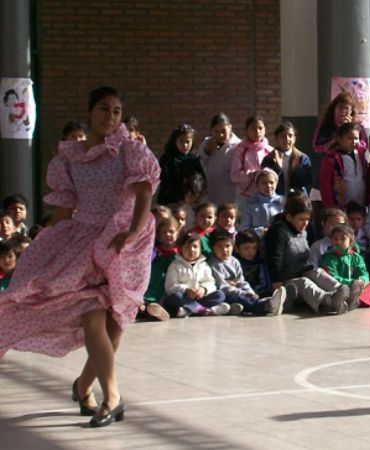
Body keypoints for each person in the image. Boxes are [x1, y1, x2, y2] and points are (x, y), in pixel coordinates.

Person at [0, 86, 160, 427]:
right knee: (92, 315)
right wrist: (43, 238)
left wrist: (132, 231)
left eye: (116, 111)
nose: (110, 117)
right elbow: (65, 206)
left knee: (115, 325)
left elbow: (145, 189)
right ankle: (112, 398)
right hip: (83, 240)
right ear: (90, 112)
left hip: (121, 242)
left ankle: (85, 385)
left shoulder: (129, 150)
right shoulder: (70, 158)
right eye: (104, 109)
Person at [262, 193, 350, 315]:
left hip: (300, 271)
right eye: (301, 219)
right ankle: (329, 300)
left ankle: (342, 292)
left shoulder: (302, 231)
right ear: (289, 217)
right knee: (303, 282)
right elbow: (274, 258)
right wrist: (276, 282)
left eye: (308, 219)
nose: (305, 223)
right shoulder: (279, 231)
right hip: (285, 282)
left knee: (317, 272)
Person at [208, 230, 287, 316]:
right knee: (239, 297)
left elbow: (241, 281)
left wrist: (250, 291)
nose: (224, 250)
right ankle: (265, 306)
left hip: (237, 292)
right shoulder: (214, 264)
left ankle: (239, 306)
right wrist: (243, 293)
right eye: (219, 247)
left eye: (227, 246)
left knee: (246, 297)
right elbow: (222, 286)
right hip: (227, 294)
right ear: (212, 248)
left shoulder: (234, 261)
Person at [164, 231, 230, 317]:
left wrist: (203, 289)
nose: (192, 250)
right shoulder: (175, 265)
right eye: (187, 247)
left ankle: (189, 310)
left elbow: (210, 282)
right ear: (180, 249)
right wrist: (186, 290)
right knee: (174, 297)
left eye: (195, 247)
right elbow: (170, 286)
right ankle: (205, 310)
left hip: (201, 298)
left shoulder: (204, 265)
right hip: (184, 298)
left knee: (220, 295)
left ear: (200, 249)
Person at [319, 224, 370, 309]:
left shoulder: (356, 257)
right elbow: (332, 277)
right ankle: (362, 300)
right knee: (338, 290)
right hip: (339, 288)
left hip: (357, 288)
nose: (338, 242)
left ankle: (358, 301)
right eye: (335, 239)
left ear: (351, 241)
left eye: (343, 239)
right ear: (331, 240)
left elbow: (363, 273)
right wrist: (352, 283)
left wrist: (362, 282)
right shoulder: (328, 258)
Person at [319, 122, 368, 209]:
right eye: (350, 138)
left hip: (360, 205)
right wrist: (330, 207)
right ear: (339, 139)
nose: (354, 142)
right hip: (341, 206)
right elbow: (325, 184)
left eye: (356, 138)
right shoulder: (331, 159)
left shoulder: (360, 156)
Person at [197, 113, 242, 205]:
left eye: (223, 131)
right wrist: (207, 152)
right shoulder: (206, 143)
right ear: (211, 131)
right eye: (216, 131)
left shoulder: (238, 146)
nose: (220, 135)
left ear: (230, 128)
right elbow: (198, 165)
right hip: (210, 196)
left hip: (231, 198)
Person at [141, 217, 180, 321]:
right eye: (164, 232)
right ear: (158, 235)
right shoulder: (155, 252)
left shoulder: (181, 252)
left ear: (178, 232)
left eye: (171, 231)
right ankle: (149, 310)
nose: (168, 235)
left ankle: (153, 311)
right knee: (147, 303)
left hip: (172, 286)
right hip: (155, 287)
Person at [261, 122, 313, 196]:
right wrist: (277, 168)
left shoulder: (302, 158)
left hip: (296, 200)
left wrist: (296, 168)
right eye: (283, 136)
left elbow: (308, 181)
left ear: (294, 139)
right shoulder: (269, 159)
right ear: (277, 139)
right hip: (275, 201)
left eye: (290, 136)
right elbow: (264, 181)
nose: (287, 139)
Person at [230, 115, 273, 204]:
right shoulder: (240, 151)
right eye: (253, 128)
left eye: (260, 128)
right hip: (245, 197)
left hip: (266, 197)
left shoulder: (270, 151)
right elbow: (234, 175)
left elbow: (275, 175)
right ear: (246, 131)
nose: (257, 131)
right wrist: (252, 175)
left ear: (265, 130)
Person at [157, 123, 204, 206]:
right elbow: (165, 181)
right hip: (170, 202)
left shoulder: (192, 159)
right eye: (181, 141)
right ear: (175, 141)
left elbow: (201, 179)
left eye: (188, 142)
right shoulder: (168, 159)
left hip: (189, 203)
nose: (185, 145)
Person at [240, 168, 284, 236]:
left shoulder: (282, 202)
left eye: (271, 182)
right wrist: (261, 231)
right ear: (257, 185)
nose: (268, 186)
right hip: (257, 242)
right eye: (264, 183)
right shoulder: (250, 204)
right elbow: (244, 229)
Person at [234, 229, 272, 298]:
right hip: (239, 293)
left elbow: (266, 284)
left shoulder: (259, 263)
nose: (251, 252)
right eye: (246, 248)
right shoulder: (233, 262)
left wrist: (253, 292)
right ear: (237, 249)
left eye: (254, 248)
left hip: (257, 293)